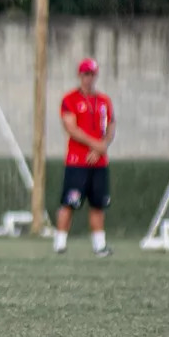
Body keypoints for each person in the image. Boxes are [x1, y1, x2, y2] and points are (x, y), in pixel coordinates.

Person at [53, 58, 115, 256]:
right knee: (69, 203)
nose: (89, 78)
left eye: (92, 74)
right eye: (86, 74)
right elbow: (71, 128)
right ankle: (60, 242)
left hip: (99, 162)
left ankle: (99, 245)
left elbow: (111, 125)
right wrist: (95, 144)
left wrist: (101, 147)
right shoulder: (70, 99)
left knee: (98, 204)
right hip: (77, 161)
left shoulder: (104, 101)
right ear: (80, 76)